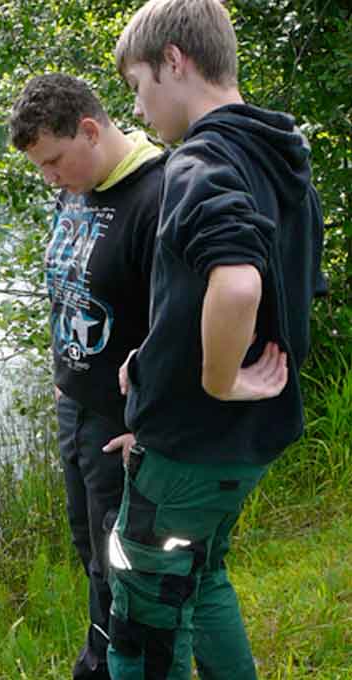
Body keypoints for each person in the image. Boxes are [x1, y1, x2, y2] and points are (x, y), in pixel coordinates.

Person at [108, 1, 326, 678]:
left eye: (138, 85)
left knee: (144, 614)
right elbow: (284, 291)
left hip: (189, 449)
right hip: (242, 444)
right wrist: (154, 358)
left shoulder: (200, 162)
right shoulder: (279, 156)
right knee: (201, 579)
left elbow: (236, 285)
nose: (138, 109)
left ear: (174, 61)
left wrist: (216, 379)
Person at [9, 73, 166, 680]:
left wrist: (151, 425)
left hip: (124, 421)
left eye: (54, 161)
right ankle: (102, 659)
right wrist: (63, 371)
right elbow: (68, 283)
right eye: (40, 168)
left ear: (90, 130)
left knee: (119, 560)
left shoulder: (157, 193)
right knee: (88, 546)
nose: (50, 178)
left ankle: (112, 667)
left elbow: (183, 324)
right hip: (75, 406)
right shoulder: (75, 188)